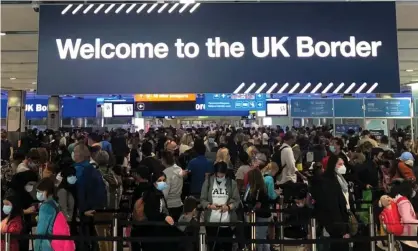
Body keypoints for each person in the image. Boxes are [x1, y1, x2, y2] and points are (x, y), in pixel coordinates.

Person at [200, 161, 241, 251]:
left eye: (222, 176)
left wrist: (229, 207)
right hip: (211, 221)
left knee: (227, 246)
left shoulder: (232, 183)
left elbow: (236, 200)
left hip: (227, 222)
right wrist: (209, 206)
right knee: (213, 246)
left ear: (225, 173)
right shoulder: (208, 182)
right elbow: (202, 199)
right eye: (217, 175)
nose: (219, 177)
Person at [315, 154, 351, 251]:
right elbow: (333, 203)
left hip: (340, 219)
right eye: (339, 164)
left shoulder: (339, 179)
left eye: (343, 164)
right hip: (334, 221)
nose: (342, 167)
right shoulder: (328, 181)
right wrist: (341, 226)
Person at [142, 171, 175, 250]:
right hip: (153, 231)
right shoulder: (151, 194)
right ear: (154, 182)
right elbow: (151, 213)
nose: (162, 183)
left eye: (164, 180)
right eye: (159, 181)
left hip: (160, 228)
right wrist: (165, 217)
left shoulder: (159, 193)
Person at [7, 170, 38, 251]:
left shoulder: (24, 193)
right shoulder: (12, 193)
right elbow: (7, 212)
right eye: (30, 184)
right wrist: (24, 211)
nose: (31, 187)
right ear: (24, 182)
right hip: (15, 230)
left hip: (24, 228)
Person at [245, 168, 271, 251]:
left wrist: (250, 210)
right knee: (262, 238)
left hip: (262, 216)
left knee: (259, 239)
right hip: (261, 216)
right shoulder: (256, 189)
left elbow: (257, 205)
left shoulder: (260, 191)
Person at [390, 180, 418, 251]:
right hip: (407, 236)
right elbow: (406, 219)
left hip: (403, 235)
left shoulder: (398, 200)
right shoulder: (404, 201)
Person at [34, 178, 59, 251]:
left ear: (47, 191)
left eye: (40, 191)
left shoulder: (45, 207)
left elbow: (41, 231)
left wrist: (36, 248)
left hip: (45, 245)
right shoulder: (55, 203)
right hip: (54, 242)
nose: (38, 194)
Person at [161, 151, 185, 221]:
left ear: (164, 160)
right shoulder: (179, 169)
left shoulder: (165, 173)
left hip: (169, 206)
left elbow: (164, 193)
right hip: (179, 204)